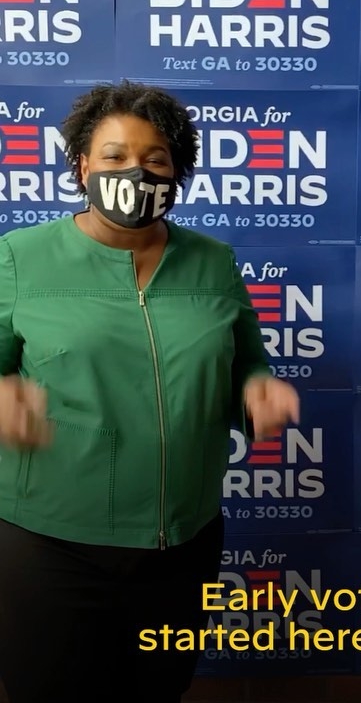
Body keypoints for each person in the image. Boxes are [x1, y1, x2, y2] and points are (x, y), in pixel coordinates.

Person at [0, 81, 300, 703]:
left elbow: (248, 362)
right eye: (114, 156)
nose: (134, 172)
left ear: (177, 171)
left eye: (155, 159)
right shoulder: (18, 258)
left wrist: (258, 393)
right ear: (81, 163)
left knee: (158, 692)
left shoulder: (213, 261)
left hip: (182, 544)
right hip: (52, 546)